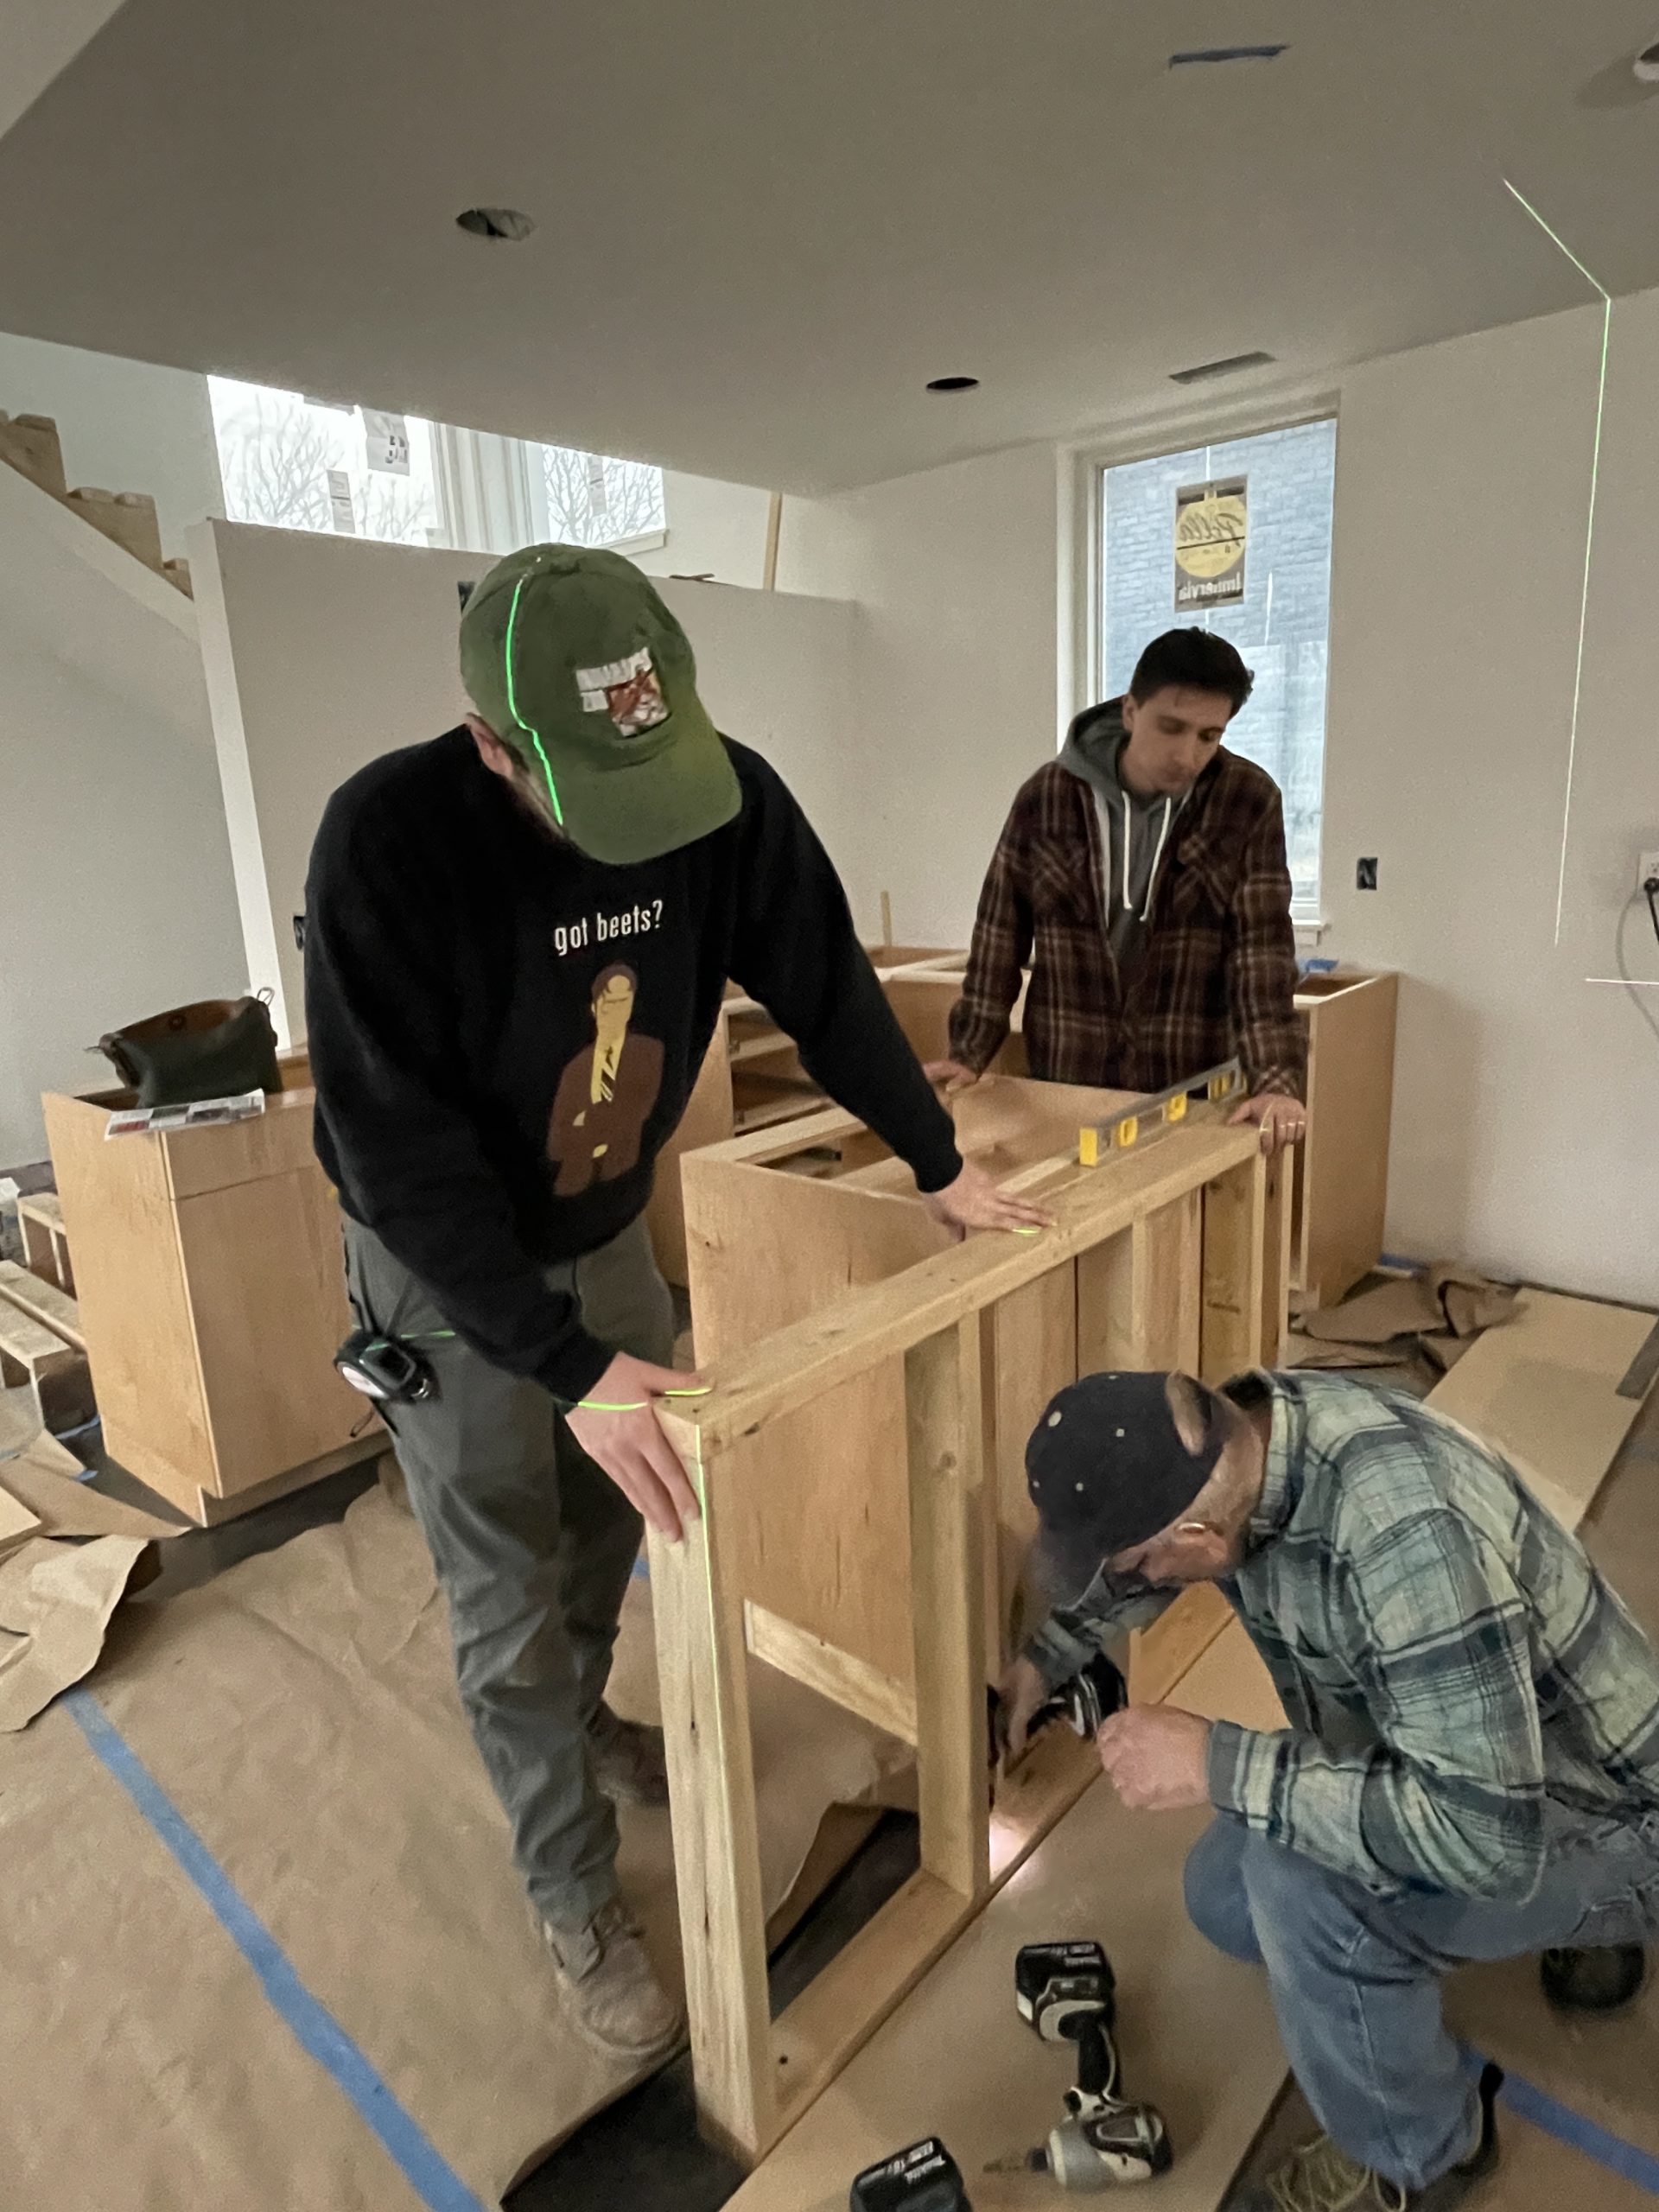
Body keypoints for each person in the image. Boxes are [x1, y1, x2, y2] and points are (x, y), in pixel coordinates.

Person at [304, 543, 1046, 2063]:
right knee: (504, 1584)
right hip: (449, 1274)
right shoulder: (388, 841)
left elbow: (825, 980)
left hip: (603, 1229)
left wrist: (932, 1160)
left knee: (617, 1523)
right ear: (496, 741)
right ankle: (572, 1891)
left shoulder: (724, 794)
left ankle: (580, 1721)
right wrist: (565, 1363)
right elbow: (397, 1148)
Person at [1000, 1366, 1659, 2212]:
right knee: (1222, 1896)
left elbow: (1485, 1838)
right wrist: (1040, 1663)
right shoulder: (1252, 1438)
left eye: (1137, 1557)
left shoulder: (1402, 1536)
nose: (1129, 1575)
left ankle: (1427, 2151)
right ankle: (1554, 1919)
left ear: (1195, 1537)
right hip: (1462, 1743)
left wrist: (1217, 1762)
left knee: (1301, 1893)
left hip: (1597, 1810)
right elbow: (1132, 1565)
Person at [929, 628, 1308, 1155]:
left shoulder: (1247, 800)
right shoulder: (1047, 798)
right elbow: (1000, 932)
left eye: (1208, 736)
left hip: (1187, 1075)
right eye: (1171, 727)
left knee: (1177, 1233)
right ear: (1130, 710)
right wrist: (968, 1051)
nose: (1187, 754)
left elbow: (1261, 951)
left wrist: (1274, 1081)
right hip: (1069, 1068)